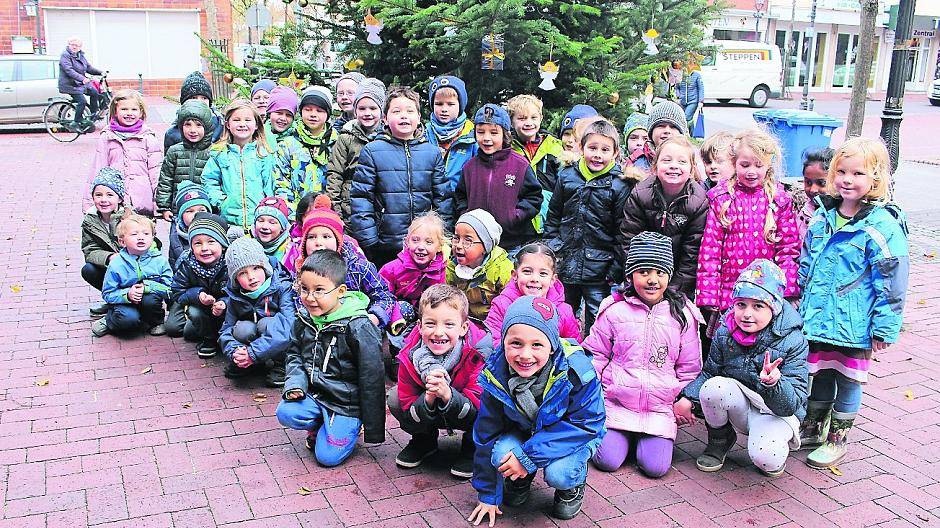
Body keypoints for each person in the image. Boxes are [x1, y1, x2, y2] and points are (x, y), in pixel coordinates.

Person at [798, 137, 909, 469]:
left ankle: (838, 439)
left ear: (875, 179)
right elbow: (807, 261)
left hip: (854, 322)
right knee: (819, 374)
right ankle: (814, 427)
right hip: (818, 317)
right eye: (842, 172)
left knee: (848, 379)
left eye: (858, 173)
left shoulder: (882, 226)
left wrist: (884, 327)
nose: (848, 180)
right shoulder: (822, 215)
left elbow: (892, 281)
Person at [468, 296, 605, 525]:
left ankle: (572, 485)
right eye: (516, 343)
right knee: (501, 453)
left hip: (573, 435)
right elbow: (486, 434)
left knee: (559, 473)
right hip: (525, 430)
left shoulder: (577, 372)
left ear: (552, 346)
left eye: (537, 344)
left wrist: (527, 456)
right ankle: (520, 477)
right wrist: (488, 495)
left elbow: (587, 424)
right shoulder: (496, 372)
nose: (525, 355)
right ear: (503, 342)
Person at [586, 231, 702, 477]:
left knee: (656, 468)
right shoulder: (614, 310)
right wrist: (592, 395)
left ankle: (642, 442)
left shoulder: (682, 315)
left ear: (669, 276)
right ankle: (621, 438)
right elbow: (596, 354)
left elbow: (689, 367)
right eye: (644, 272)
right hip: (617, 403)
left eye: (660, 272)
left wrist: (683, 399)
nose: (652, 280)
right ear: (630, 276)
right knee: (606, 461)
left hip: (660, 409)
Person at [681, 259, 809, 477]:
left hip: (775, 412)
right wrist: (687, 398)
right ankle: (720, 439)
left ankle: (771, 446)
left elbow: (791, 405)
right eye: (741, 304)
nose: (747, 314)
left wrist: (775, 383)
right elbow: (710, 372)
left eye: (758, 305)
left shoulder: (793, 340)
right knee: (713, 388)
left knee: (766, 459)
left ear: (774, 306)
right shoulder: (725, 331)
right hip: (741, 402)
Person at [278, 249, 386, 466]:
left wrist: (373, 428)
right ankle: (321, 425)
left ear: (341, 291)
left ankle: (351, 426)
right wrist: (296, 385)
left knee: (326, 458)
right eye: (304, 289)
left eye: (319, 290)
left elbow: (372, 377)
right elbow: (294, 355)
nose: (310, 297)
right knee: (286, 412)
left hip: (346, 403)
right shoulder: (304, 319)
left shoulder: (359, 327)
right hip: (317, 394)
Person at [696, 129, 800, 336]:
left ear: (768, 164)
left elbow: (788, 250)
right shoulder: (721, 198)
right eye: (745, 165)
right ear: (734, 163)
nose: (751, 171)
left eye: (758, 165)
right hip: (730, 293)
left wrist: (787, 292)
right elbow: (710, 250)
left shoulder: (779, 199)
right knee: (726, 346)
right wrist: (709, 294)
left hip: (766, 295)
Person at [545, 118, 637, 333]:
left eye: (605, 150)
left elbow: (622, 230)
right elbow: (554, 215)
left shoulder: (619, 184)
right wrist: (552, 246)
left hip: (599, 266)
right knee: (562, 313)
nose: (597, 155)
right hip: (565, 259)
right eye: (592, 148)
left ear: (615, 153)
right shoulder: (567, 176)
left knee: (597, 317)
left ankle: (593, 358)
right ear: (581, 147)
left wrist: (615, 267)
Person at [389, 284, 491, 478]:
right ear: (419, 327)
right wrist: (427, 398)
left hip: (467, 412)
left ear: (463, 328)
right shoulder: (409, 355)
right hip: (433, 408)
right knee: (394, 398)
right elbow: (406, 401)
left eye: (448, 324)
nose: (438, 332)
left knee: (491, 401)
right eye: (430, 323)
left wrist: (448, 395)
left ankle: (472, 447)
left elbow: (480, 404)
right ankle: (424, 440)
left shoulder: (479, 352)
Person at [350, 86, 453, 267]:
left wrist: (442, 236)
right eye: (396, 111)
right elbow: (361, 197)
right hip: (385, 245)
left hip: (424, 245)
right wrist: (369, 239)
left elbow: (442, 198)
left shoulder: (431, 153)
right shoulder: (373, 151)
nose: (404, 116)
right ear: (385, 118)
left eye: (410, 111)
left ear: (419, 117)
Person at [621, 136, 709, 298]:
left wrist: (673, 290)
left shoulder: (699, 201)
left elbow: (692, 253)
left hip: (678, 278)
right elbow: (629, 239)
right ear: (655, 167)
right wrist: (637, 279)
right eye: (667, 160)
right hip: (643, 273)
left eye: (682, 162)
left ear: (691, 170)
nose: (673, 166)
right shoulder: (640, 194)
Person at [295, 195, 395, 329]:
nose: (318, 243)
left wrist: (372, 318)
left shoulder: (359, 268)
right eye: (312, 237)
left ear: (338, 241)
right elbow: (298, 304)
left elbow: (384, 297)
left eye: (326, 236)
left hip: (358, 327)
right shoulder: (303, 272)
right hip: (319, 329)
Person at [454, 104, 542, 251]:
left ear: (505, 135)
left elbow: (534, 197)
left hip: (511, 244)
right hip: (477, 245)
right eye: (481, 132)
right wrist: (466, 214)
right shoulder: (470, 167)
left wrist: (515, 216)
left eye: (494, 133)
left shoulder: (520, 165)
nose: (486, 138)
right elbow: (460, 197)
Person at [219, 236, 296, 387]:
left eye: (256, 268)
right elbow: (226, 329)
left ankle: (282, 364)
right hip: (255, 348)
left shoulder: (283, 287)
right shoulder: (235, 295)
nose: (251, 277)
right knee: (242, 329)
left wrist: (253, 353)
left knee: (267, 324)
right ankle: (249, 364)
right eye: (242, 273)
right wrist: (234, 351)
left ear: (264, 267)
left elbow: (288, 327)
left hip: (281, 342)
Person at [202, 99, 275, 233]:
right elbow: (209, 179)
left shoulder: (264, 154)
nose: (242, 124)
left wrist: (268, 209)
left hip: (258, 222)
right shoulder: (220, 153)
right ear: (228, 124)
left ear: (256, 124)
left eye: (248, 120)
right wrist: (221, 201)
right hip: (229, 222)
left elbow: (270, 185)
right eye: (236, 120)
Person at [93, 214, 171, 338]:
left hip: (148, 300)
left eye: (146, 234)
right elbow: (108, 294)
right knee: (128, 320)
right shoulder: (116, 264)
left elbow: (170, 289)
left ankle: (155, 322)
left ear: (153, 237)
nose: (141, 238)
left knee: (150, 300)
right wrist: (127, 294)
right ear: (122, 241)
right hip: (124, 303)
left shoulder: (160, 261)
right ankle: (109, 320)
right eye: (134, 234)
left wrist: (148, 287)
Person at [86, 90, 162, 217]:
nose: (129, 113)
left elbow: (156, 172)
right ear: (115, 111)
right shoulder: (107, 137)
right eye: (124, 109)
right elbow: (98, 169)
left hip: (142, 202)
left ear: (141, 112)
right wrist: (90, 204)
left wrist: (160, 203)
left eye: (133, 109)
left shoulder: (148, 138)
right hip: (115, 203)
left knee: (140, 235)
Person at [485, 242, 580, 343]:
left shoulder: (564, 311)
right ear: (515, 275)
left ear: (553, 279)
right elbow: (492, 341)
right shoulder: (502, 304)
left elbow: (573, 347)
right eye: (527, 271)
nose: (534, 279)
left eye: (543, 273)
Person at [166, 212, 230, 358]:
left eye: (211, 242)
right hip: (201, 308)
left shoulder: (230, 263)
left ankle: (227, 337)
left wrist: (223, 302)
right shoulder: (187, 264)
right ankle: (208, 339)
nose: (204, 248)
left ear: (222, 244)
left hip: (227, 309)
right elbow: (177, 292)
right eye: (198, 243)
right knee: (192, 318)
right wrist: (197, 295)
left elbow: (239, 292)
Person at [326, 77, 386, 219]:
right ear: (355, 110)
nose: (367, 113)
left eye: (373, 108)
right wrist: (336, 211)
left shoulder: (388, 138)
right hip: (350, 208)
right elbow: (335, 174)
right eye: (362, 108)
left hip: (381, 207)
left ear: (382, 110)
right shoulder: (346, 137)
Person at [379, 212, 448, 335]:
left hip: (430, 314)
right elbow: (382, 296)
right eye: (415, 240)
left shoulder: (444, 269)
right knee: (400, 308)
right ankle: (397, 344)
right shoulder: (392, 268)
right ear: (407, 242)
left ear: (439, 246)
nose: (421, 247)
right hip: (402, 313)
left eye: (429, 242)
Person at [273, 86, 338, 209]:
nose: (313, 115)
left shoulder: (337, 144)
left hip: (328, 213)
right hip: (296, 214)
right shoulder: (287, 145)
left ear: (328, 114)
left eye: (319, 111)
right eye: (308, 109)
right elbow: (281, 183)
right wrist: (294, 212)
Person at [507, 95, 564, 233]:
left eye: (533, 118)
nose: (528, 123)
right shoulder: (507, 149)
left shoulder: (554, 147)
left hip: (549, 217)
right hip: (520, 221)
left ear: (541, 118)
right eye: (522, 118)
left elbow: (564, 183)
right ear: (511, 121)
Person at [447, 209, 513, 327]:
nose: (459, 245)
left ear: (485, 246)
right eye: (456, 238)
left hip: (493, 323)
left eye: (468, 240)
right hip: (462, 321)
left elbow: (508, 303)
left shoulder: (501, 269)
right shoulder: (451, 267)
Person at [156, 100, 216, 226]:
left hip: (205, 209)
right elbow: (166, 180)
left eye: (198, 125)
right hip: (179, 210)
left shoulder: (214, 153)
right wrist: (164, 207)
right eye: (188, 124)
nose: (193, 130)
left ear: (207, 127)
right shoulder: (174, 151)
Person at [82, 167, 130, 315]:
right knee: (88, 269)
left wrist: (126, 257)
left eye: (110, 195)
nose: (104, 200)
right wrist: (109, 257)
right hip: (110, 266)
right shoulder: (90, 221)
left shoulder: (130, 217)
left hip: (132, 267)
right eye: (98, 195)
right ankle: (112, 300)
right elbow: (89, 249)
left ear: (120, 198)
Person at [425, 75, 478, 191]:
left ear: (460, 105)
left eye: (450, 104)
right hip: (429, 199)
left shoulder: (472, 135)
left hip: (460, 199)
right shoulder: (424, 133)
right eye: (439, 104)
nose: (444, 109)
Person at [164, 71, 224, 150]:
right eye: (193, 98)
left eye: (204, 98)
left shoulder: (221, 127)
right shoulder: (172, 134)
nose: (199, 102)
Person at [58, 37, 104, 130]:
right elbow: (68, 70)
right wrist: (82, 78)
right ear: (69, 45)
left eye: (77, 45)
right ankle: (76, 121)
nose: (75, 47)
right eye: (73, 45)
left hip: (79, 83)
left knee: (94, 92)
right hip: (69, 84)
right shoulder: (65, 55)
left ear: (80, 47)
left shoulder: (80, 55)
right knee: (82, 101)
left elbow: (88, 67)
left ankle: (92, 115)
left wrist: (100, 72)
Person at [633, 101, 689, 173]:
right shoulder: (639, 164)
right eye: (661, 126)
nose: (667, 131)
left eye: (673, 127)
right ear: (651, 133)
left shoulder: (689, 160)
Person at [167, 182, 211, 270]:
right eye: (189, 211)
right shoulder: (175, 235)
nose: (196, 214)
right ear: (181, 216)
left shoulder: (217, 233)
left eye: (202, 210)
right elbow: (173, 263)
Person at [792, 147, 834, 239]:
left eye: (821, 183)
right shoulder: (805, 210)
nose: (812, 190)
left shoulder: (836, 217)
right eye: (808, 182)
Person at [252, 196, 292, 261]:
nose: (265, 226)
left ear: (282, 228)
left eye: (272, 222)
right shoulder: (246, 244)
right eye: (260, 221)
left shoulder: (290, 250)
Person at [675, 61, 705, 125]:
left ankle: (686, 134)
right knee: (684, 119)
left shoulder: (697, 75)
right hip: (682, 101)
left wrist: (701, 101)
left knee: (686, 117)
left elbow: (701, 88)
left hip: (693, 101)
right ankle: (691, 133)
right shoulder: (680, 75)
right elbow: (676, 87)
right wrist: (678, 96)